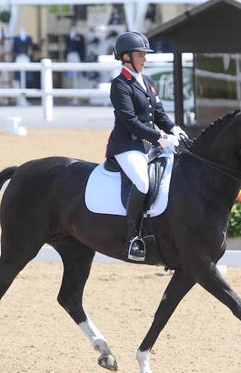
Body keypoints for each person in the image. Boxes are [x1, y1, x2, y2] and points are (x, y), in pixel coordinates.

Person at [106, 31, 187, 261]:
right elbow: (130, 121)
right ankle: (133, 239)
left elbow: (158, 113)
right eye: (141, 55)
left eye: (144, 55)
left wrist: (174, 129)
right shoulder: (120, 84)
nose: (145, 59)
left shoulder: (147, 81)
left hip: (149, 144)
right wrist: (160, 137)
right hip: (127, 145)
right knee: (142, 182)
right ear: (126, 57)